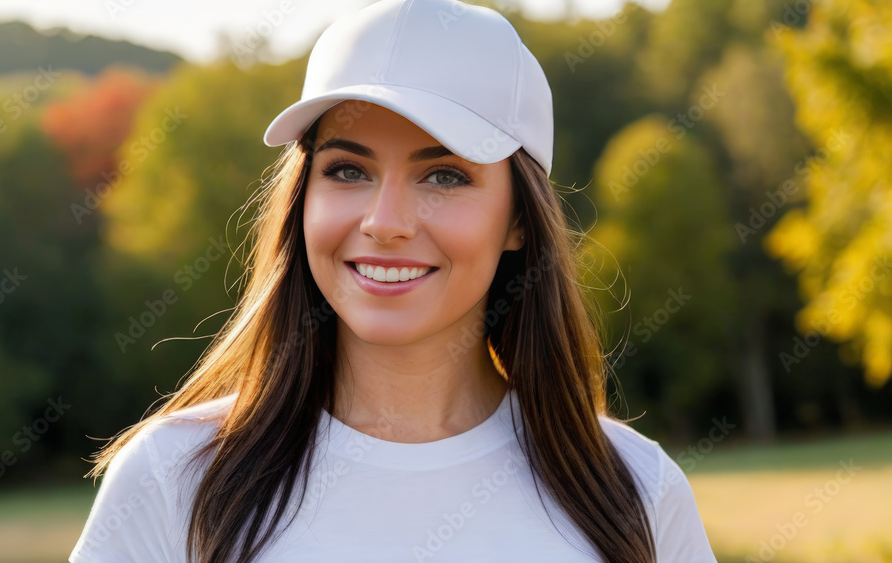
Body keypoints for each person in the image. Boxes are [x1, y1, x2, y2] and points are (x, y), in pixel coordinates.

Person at [69, 0, 718, 562]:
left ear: (519, 218)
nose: (385, 223)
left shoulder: (635, 487)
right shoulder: (174, 477)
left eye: (444, 176)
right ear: (303, 198)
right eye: (348, 170)